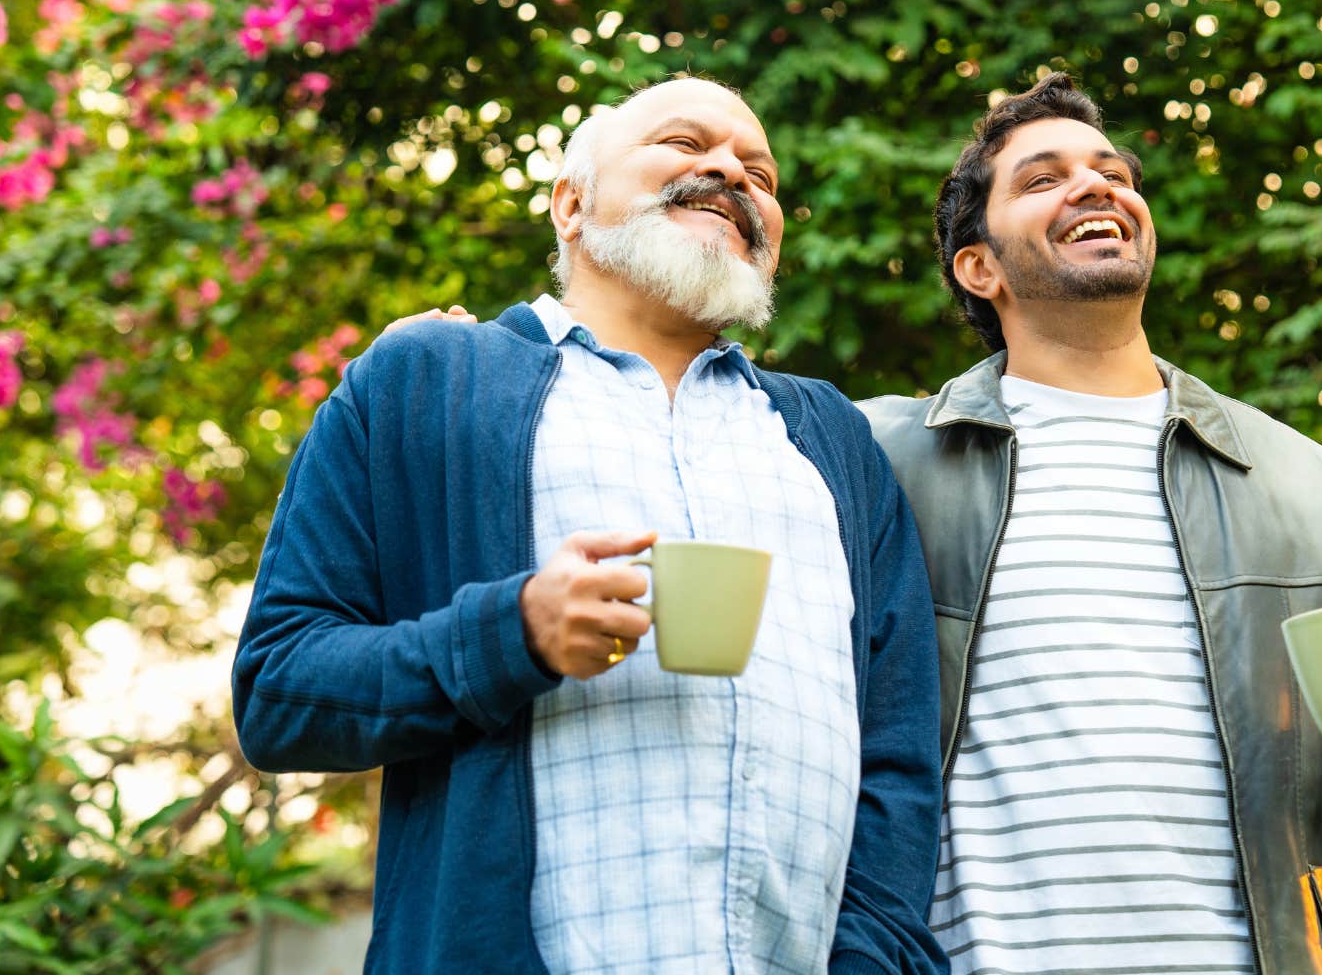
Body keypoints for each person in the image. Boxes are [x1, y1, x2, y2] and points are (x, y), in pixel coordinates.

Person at [233, 77, 946, 974]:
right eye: (686, 145)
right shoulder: (426, 379)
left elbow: (898, 755)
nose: (730, 171)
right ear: (572, 205)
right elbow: (278, 693)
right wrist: (512, 633)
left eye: (759, 175)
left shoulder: (831, 437)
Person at [858, 73, 1322, 974]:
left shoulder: (1300, 481)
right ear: (978, 268)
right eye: (1042, 179)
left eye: (1113, 172)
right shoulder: (879, 461)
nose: (1097, 186)